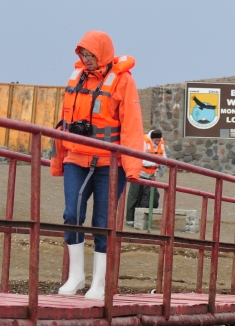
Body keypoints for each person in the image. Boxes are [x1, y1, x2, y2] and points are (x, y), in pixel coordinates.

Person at [51, 30, 144, 300]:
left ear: (101, 53)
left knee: (102, 222)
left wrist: (133, 168)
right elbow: (63, 122)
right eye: (82, 54)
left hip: (109, 164)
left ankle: (99, 284)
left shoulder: (123, 81)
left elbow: (132, 126)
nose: (86, 59)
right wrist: (58, 160)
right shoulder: (76, 78)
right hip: (76, 158)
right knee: (71, 215)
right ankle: (76, 276)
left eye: (90, 54)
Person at [125, 129, 165, 226]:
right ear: (151, 138)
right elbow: (138, 159)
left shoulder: (161, 143)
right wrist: (154, 163)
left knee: (152, 197)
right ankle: (130, 219)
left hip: (151, 175)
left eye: (159, 140)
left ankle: (141, 218)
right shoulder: (142, 142)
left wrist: (163, 164)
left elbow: (164, 156)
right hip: (138, 173)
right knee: (134, 196)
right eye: (156, 141)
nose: (158, 142)